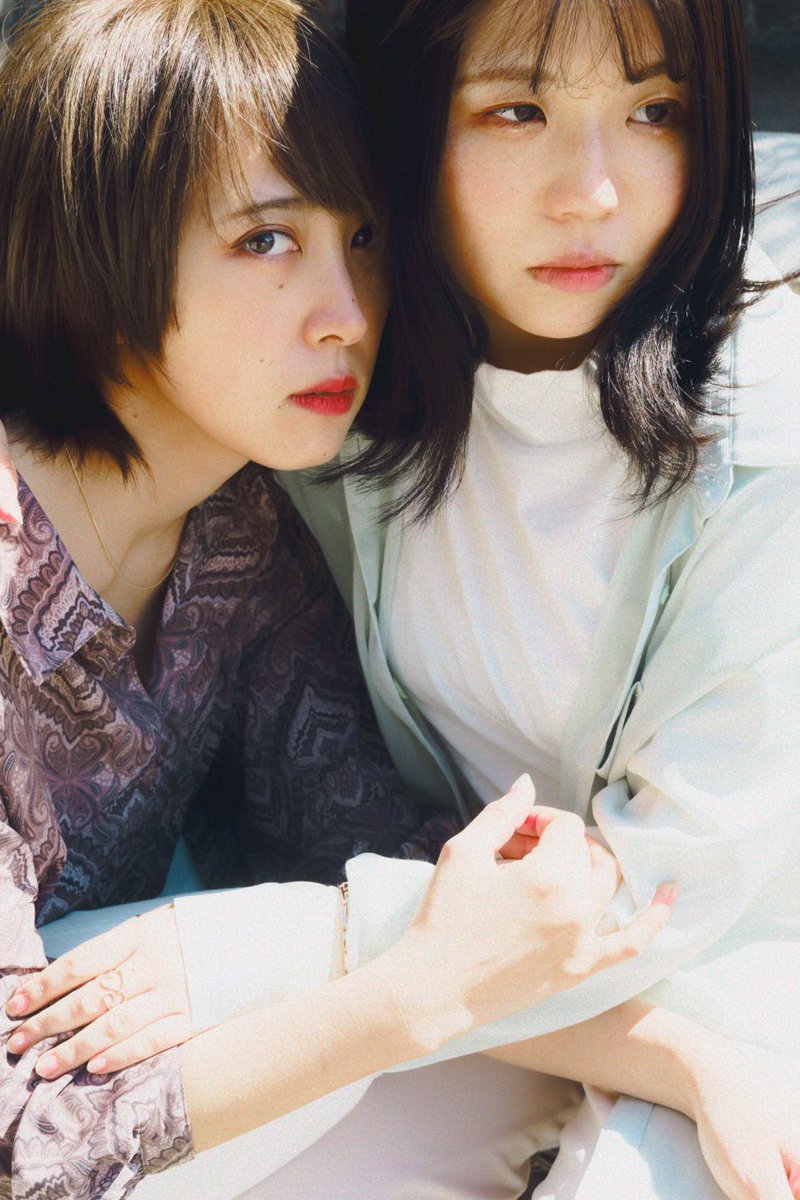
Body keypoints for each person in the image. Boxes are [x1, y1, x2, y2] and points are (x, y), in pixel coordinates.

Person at [0, 1, 798, 1199]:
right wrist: (408, 994)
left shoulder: (240, 533)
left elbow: (386, 869)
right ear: (92, 252)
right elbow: (26, 1139)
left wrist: (686, 1064)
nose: (347, 313)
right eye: (267, 240)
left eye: (363, 238)